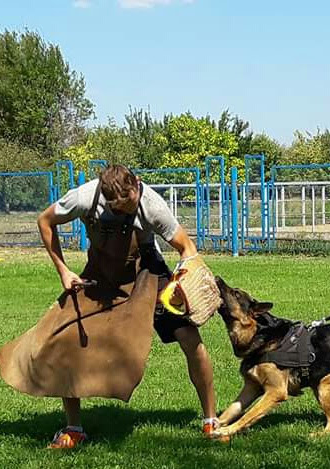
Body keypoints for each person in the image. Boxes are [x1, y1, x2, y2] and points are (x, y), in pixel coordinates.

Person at [36, 164, 219, 448]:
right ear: (107, 199)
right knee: (67, 337)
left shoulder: (152, 206)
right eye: (118, 208)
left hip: (147, 272)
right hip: (100, 274)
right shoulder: (84, 197)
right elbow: (45, 221)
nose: (124, 211)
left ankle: (211, 421)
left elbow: (186, 247)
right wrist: (63, 271)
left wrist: (183, 278)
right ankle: (74, 429)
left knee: (189, 338)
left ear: (137, 183)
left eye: (129, 203)